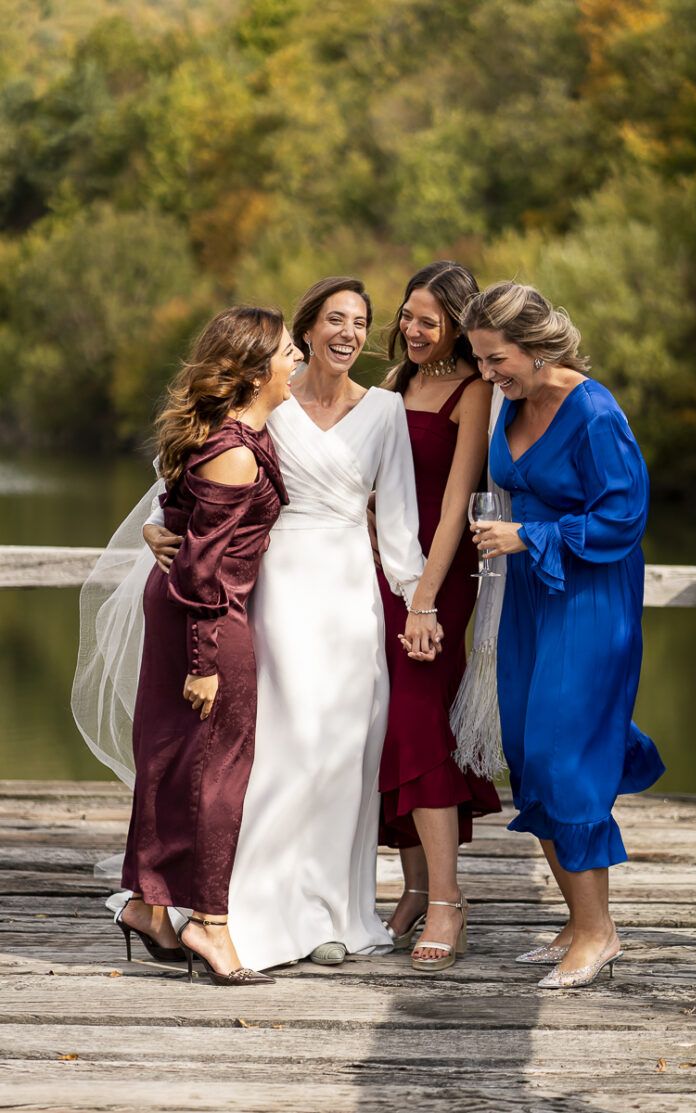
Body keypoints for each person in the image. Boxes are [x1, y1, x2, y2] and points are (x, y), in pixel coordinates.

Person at [144, 277, 439, 971]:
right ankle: (248, 906)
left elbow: (399, 522)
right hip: (273, 589)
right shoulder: (271, 401)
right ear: (305, 331)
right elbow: (197, 467)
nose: (349, 332)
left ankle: (330, 910)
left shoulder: (386, 410)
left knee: (344, 749)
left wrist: (417, 603)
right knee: (280, 746)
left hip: (349, 594)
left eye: (361, 321)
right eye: (335, 318)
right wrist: (160, 526)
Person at [463, 281, 665, 989]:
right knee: (527, 751)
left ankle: (601, 932)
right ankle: (579, 921)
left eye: (496, 359)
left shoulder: (595, 412)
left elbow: (622, 519)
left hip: (589, 598)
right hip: (528, 596)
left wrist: (527, 534)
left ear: (537, 347)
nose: (488, 373)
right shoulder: (512, 402)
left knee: (563, 753)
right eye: (480, 360)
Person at [113, 306, 300, 986]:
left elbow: (181, 520)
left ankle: (148, 904)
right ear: (254, 371)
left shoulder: (236, 436)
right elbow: (200, 572)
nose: (298, 359)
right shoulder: (237, 452)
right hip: (209, 620)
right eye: (288, 351)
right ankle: (210, 924)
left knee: (173, 758)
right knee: (219, 768)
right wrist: (204, 663)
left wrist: (156, 529)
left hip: (192, 613)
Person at [374, 262, 501, 973]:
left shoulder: (474, 390)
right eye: (407, 315)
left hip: (439, 579)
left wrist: (424, 599)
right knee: (392, 728)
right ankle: (416, 887)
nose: (413, 329)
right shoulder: (396, 383)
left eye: (430, 320)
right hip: (381, 572)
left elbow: (456, 505)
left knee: (421, 725)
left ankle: (449, 901)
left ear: (458, 325)